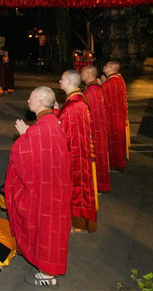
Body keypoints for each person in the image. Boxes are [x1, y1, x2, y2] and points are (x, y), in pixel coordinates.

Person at [5, 87, 72, 286]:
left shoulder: (39, 129)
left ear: (41, 103)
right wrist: (28, 135)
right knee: (52, 230)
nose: (28, 100)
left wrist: (24, 138)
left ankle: (48, 275)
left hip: (45, 193)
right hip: (57, 187)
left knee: (45, 230)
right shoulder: (52, 122)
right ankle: (48, 268)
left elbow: (21, 156)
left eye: (31, 98)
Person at [58, 70, 97, 232]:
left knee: (76, 189)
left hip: (75, 154)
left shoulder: (72, 105)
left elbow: (64, 133)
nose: (59, 81)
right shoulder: (78, 99)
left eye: (61, 79)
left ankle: (78, 221)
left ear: (68, 82)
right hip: (81, 151)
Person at [81, 65, 110, 193]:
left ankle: (94, 185)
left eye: (82, 72)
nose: (81, 75)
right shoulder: (94, 88)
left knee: (94, 158)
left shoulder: (90, 92)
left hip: (93, 130)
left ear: (89, 75)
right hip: (98, 128)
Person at [101, 61, 128, 173]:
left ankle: (115, 163)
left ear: (110, 69)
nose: (104, 67)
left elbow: (100, 93)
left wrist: (101, 84)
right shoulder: (119, 79)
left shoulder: (110, 83)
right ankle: (117, 162)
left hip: (112, 116)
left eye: (106, 66)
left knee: (113, 140)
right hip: (119, 114)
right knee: (117, 140)